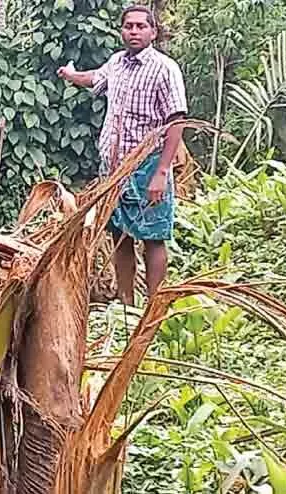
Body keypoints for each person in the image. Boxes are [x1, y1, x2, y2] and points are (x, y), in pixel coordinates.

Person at [57, 4, 187, 305]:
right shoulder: (117, 63)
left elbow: (176, 122)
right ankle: (127, 304)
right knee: (120, 235)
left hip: (149, 164)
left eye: (142, 26)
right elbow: (96, 79)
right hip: (114, 168)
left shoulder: (165, 69)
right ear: (121, 30)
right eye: (129, 26)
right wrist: (71, 74)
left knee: (154, 237)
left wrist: (162, 172)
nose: (134, 31)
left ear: (153, 32)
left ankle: (154, 308)